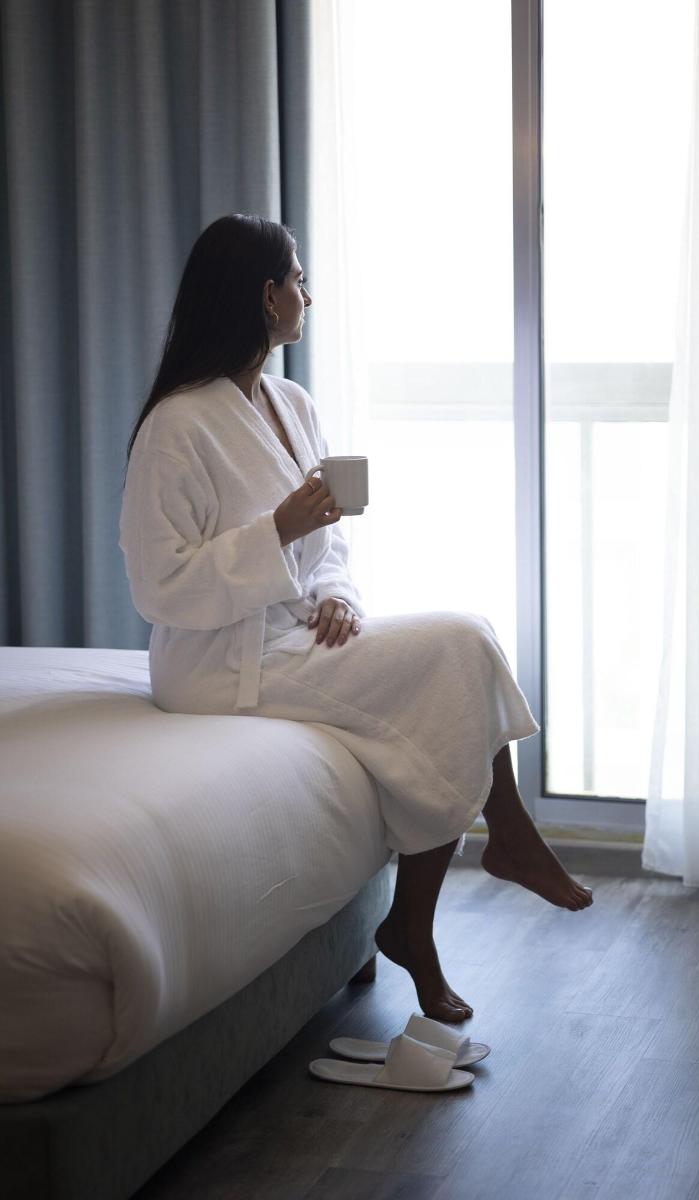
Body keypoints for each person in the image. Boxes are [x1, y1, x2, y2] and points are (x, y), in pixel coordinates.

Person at [119, 214, 593, 1025]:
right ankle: (492, 848)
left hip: (301, 633)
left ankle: (427, 912)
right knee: (461, 644)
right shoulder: (177, 425)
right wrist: (276, 532)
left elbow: (329, 540)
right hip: (223, 662)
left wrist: (339, 593)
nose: (308, 295)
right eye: (298, 280)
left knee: (463, 644)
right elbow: (157, 586)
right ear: (267, 297)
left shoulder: (292, 404)